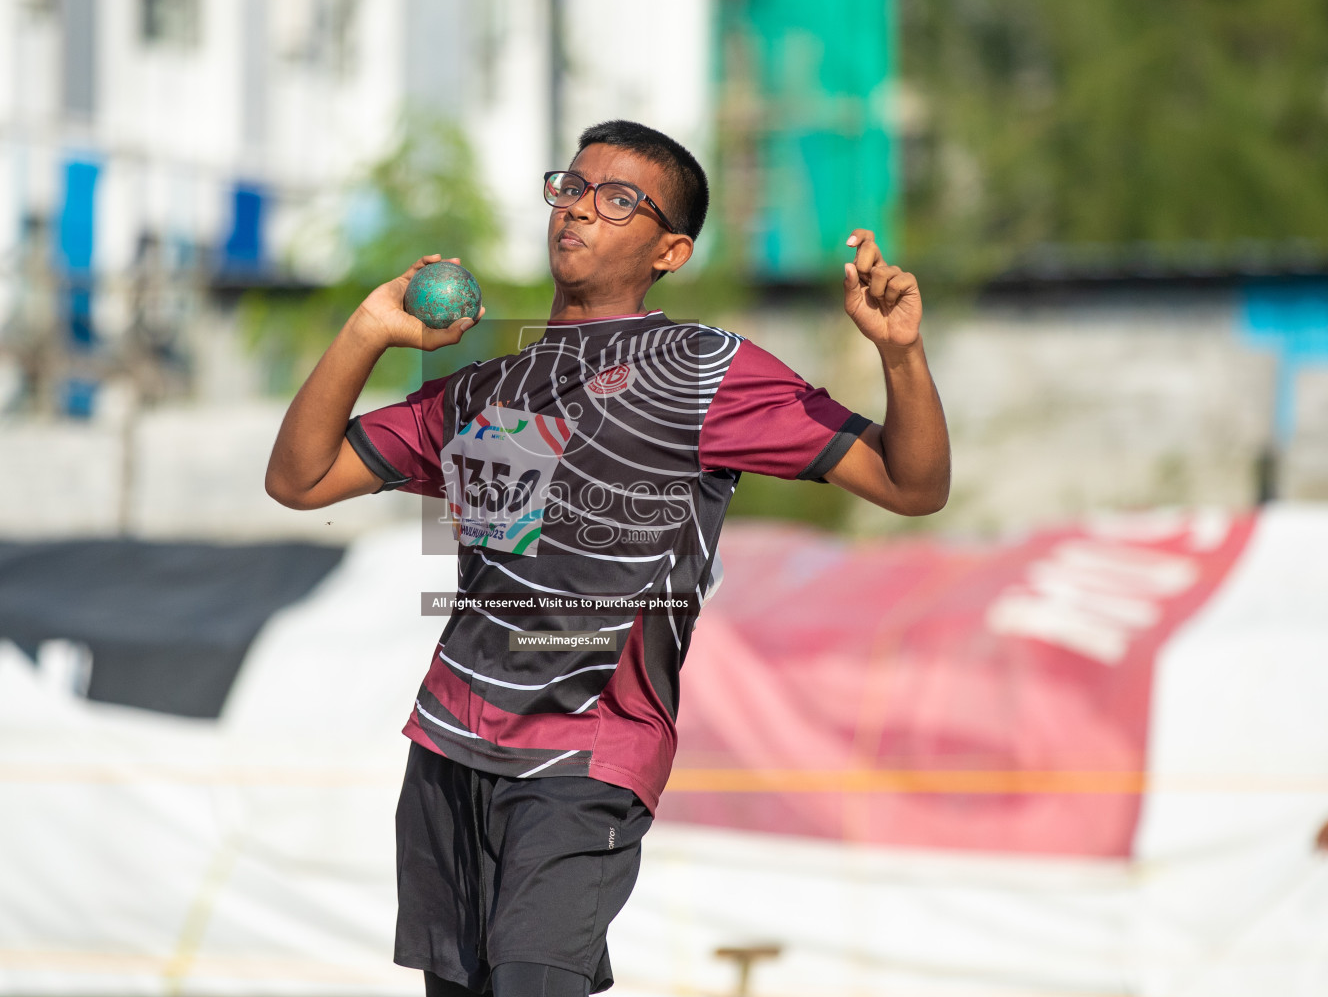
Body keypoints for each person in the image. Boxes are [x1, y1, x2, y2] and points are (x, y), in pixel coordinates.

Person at [265, 120, 950, 996]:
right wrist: (367, 329)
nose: (580, 210)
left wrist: (901, 354)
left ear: (671, 250)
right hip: (447, 747)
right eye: (572, 187)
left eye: (618, 199)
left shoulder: (704, 368)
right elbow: (300, 478)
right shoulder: (481, 384)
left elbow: (911, 483)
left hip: (586, 758)